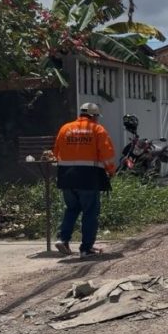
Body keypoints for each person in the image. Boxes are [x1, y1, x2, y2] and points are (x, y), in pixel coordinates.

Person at [53, 103, 116, 257]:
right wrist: (111, 171)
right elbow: (107, 154)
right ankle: (86, 248)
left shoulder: (65, 128)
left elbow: (56, 152)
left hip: (66, 177)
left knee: (71, 209)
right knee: (90, 212)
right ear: (93, 116)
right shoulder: (97, 129)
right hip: (88, 178)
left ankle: (63, 239)